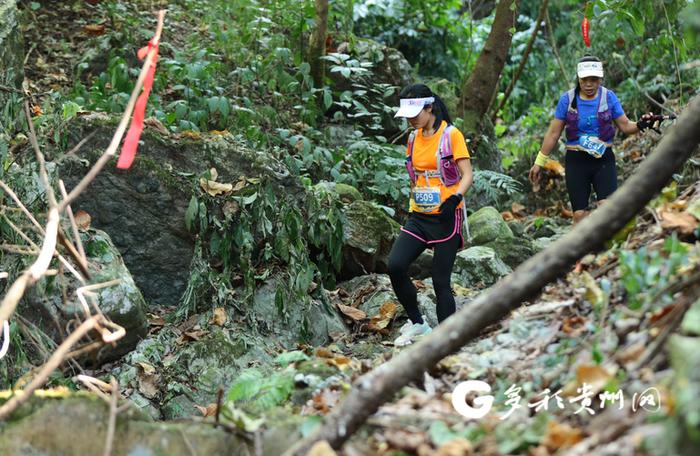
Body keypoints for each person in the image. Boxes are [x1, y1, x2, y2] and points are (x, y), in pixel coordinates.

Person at [388, 84, 473, 347]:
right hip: (420, 215)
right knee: (395, 265)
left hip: (447, 215)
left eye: (415, 113)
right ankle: (418, 324)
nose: (411, 119)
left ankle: (448, 341)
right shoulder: (413, 138)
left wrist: (455, 197)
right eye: (407, 114)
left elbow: (467, 174)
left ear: (430, 107)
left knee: (440, 280)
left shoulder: (451, 135)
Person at [529, 55, 654, 224]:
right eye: (584, 80)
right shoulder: (567, 100)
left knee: (607, 207)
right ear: (578, 78)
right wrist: (539, 163)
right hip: (576, 162)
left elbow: (625, 126)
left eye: (593, 80)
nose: (589, 84)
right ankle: (578, 249)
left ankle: (608, 248)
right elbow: (553, 133)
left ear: (600, 79)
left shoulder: (609, 97)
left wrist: (642, 124)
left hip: (603, 160)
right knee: (580, 215)